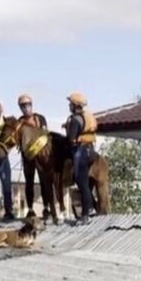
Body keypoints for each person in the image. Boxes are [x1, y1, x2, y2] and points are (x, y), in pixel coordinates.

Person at [64, 92, 97, 225]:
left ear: (75, 105)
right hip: (90, 150)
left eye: (70, 104)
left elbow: (71, 139)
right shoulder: (86, 116)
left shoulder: (75, 119)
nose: (69, 106)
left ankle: (85, 215)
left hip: (81, 152)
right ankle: (89, 209)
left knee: (81, 182)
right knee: (85, 183)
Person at [16, 94, 49, 219]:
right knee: (29, 182)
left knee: (44, 181)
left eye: (27, 105)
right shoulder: (19, 122)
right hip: (27, 156)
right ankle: (30, 209)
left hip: (41, 155)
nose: (25, 108)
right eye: (23, 106)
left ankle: (46, 207)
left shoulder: (40, 118)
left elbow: (46, 134)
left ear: (31, 105)